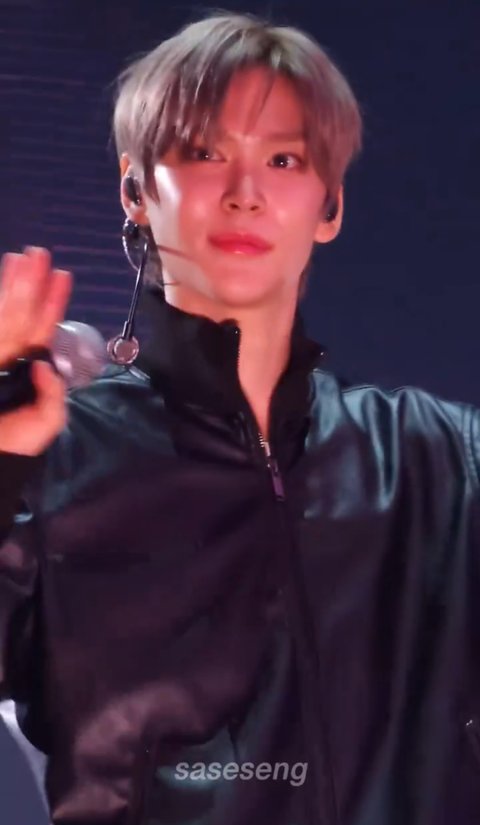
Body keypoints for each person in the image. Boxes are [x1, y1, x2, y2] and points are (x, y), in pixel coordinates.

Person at [0, 10, 478, 825]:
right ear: (135, 190)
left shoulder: (440, 459)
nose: (245, 193)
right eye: (203, 153)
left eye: (283, 159)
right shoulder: (54, 457)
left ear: (330, 204)